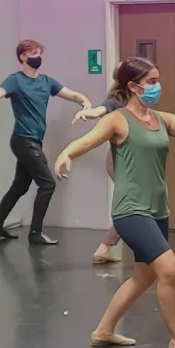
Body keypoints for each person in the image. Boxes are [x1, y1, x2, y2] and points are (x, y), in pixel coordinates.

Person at [54, 57, 175, 348]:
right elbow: (89, 140)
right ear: (133, 87)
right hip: (130, 209)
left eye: (158, 80)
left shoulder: (161, 120)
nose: (157, 87)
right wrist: (67, 153)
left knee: (144, 276)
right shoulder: (117, 120)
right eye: (152, 82)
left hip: (157, 209)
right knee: (169, 269)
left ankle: (104, 331)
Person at [0, 39, 93, 246]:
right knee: (47, 184)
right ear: (23, 56)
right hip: (23, 140)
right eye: (34, 53)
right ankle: (35, 233)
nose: (38, 57)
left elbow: (72, 94)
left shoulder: (46, 82)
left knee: (19, 187)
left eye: (40, 53)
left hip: (34, 141)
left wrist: (86, 103)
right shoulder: (15, 80)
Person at [71, 92, 128, 264]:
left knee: (134, 206)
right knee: (131, 206)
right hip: (119, 163)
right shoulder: (116, 101)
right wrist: (88, 113)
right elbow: (100, 110)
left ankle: (104, 248)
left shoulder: (138, 105)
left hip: (129, 163)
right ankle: (104, 248)